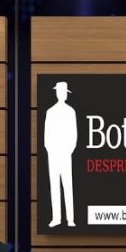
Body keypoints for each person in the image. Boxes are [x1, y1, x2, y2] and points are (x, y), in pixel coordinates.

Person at [44, 81, 77, 228]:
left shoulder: (71, 111)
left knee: (67, 185)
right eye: (59, 91)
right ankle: (56, 218)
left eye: (63, 92)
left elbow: (74, 134)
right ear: (57, 93)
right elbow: (46, 135)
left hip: (65, 153)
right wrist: (50, 149)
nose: (61, 94)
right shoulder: (50, 112)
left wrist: (69, 149)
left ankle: (70, 219)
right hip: (53, 153)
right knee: (54, 186)